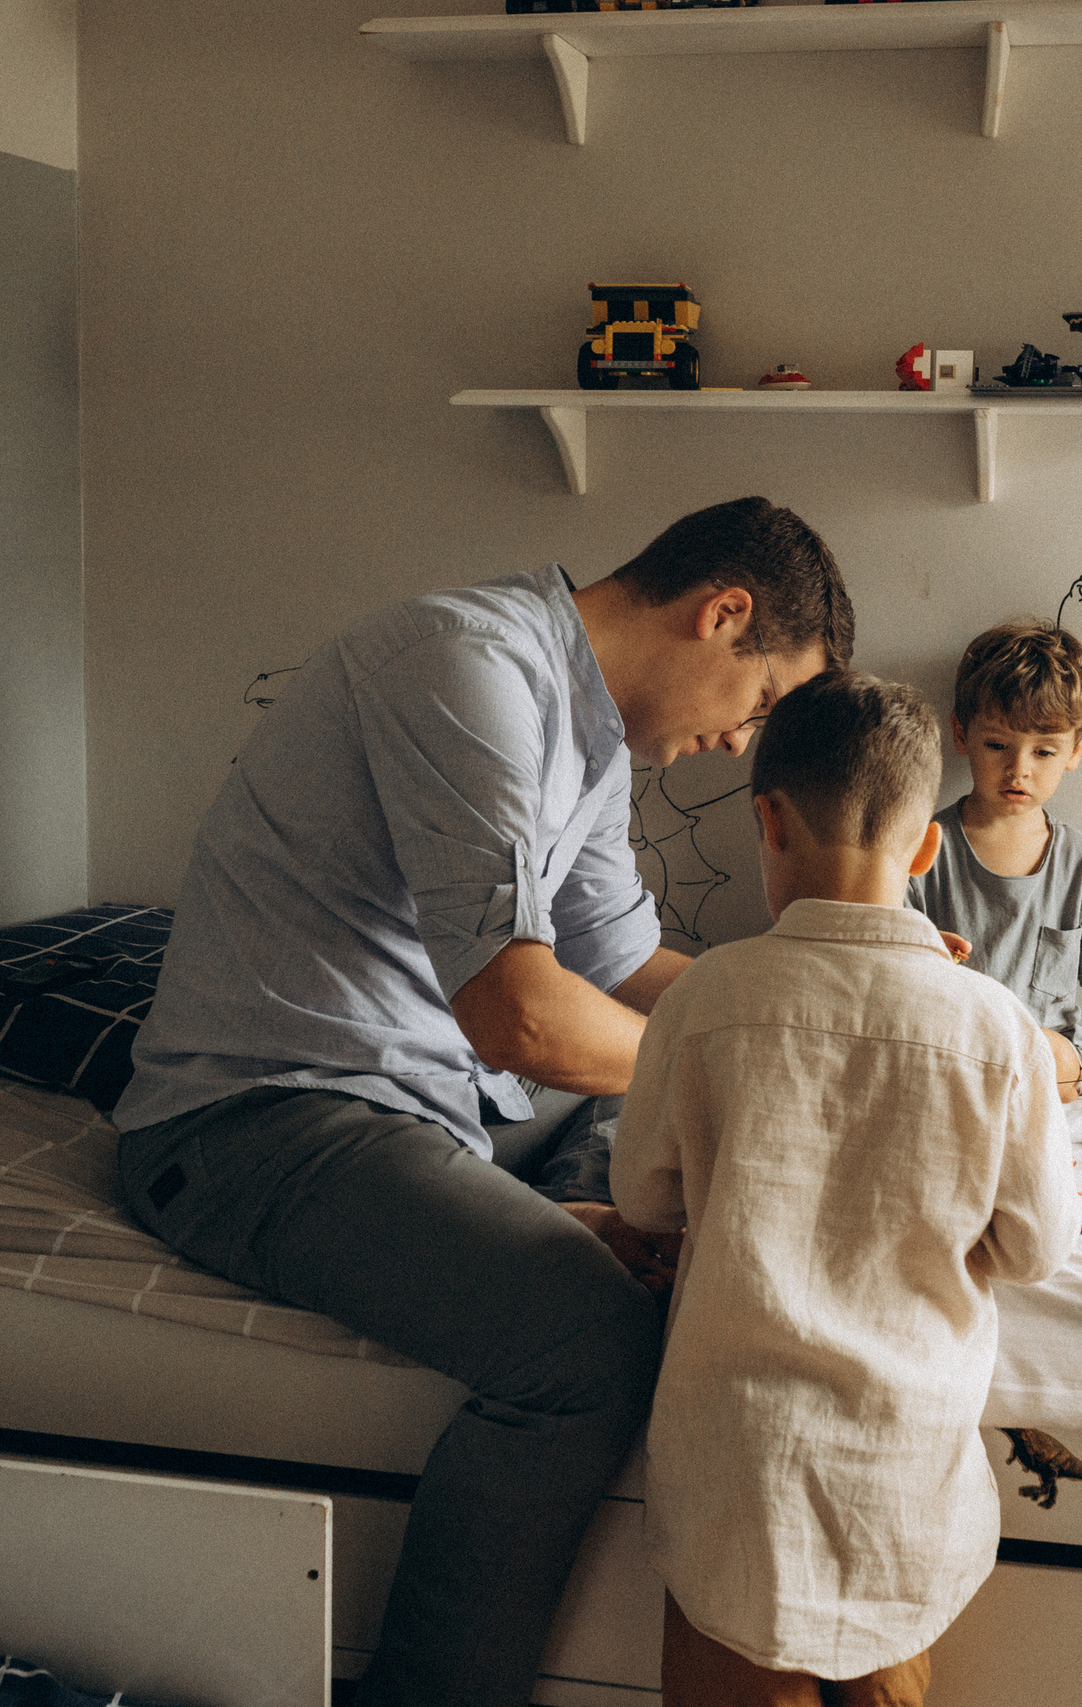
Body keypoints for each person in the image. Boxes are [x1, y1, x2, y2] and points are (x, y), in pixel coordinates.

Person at [111, 497, 852, 1707]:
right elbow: (522, 1019)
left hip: (434, 1109)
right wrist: (758, 1070)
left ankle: (552, 1226)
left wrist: (838, 1010)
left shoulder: (594, 738)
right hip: (262, 1122)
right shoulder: (466, 668)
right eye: (758, 702)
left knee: (644, 1154)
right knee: (590, 1341)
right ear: (723, 615)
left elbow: (628, 973)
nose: (739, 743)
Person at [610, 671, 1081, 1707]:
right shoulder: (996, 1027)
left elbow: (642, 1199)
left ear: (767, 820)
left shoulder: (707, 998)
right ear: (926, 848)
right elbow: (1039, 1247)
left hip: (736, 1464)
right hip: (898, 1467)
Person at [908, 621, 1082, 1098]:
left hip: (1051, 1067)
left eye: (1045, 751)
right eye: (997, 745)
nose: (1019, 769)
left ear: (1076, 751)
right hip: (954, 1056)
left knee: (1047, 1052)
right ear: (961, 733)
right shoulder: (923, 847)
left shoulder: (1078, 862)